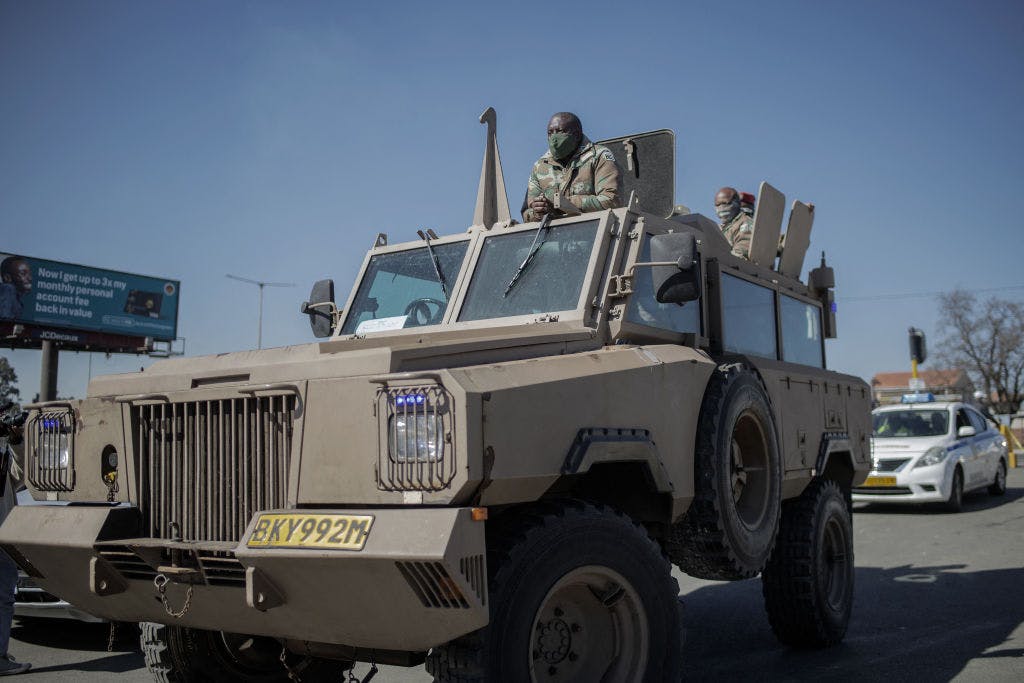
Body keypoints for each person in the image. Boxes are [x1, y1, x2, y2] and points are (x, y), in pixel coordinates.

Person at [522, 112, 621, 222]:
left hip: (593, 228)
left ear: (577, 135)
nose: (554, 137)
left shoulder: (598, 156)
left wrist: (562, 204)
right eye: (550, 133)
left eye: (560, 131)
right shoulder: (540, 166)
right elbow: (526, 214)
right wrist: (538, 212)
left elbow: (610, 200)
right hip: (553, 232)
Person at [0, 412, 29, 676]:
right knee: (2, 598)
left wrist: (16, 442)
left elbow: (19, 478)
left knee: (4, 596)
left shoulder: (3, 455)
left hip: (4, 534)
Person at [714, 187, 754, 259]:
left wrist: (724, 259)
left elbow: (742, 249)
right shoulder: (718, 229)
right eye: (717, 205)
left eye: (725, 203)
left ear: (737, 204)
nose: (721, 208)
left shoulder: (745, 223)